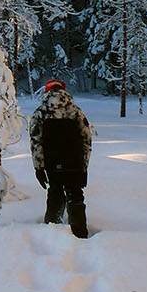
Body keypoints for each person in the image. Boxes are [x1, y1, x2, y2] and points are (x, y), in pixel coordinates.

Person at [30, 79, 93, 238]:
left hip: (52, 165)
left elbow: (36, 142)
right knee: (76, 196)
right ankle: (80, 233)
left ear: (47, 91)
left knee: (55, 193)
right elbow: (86, 140)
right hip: (75, 163)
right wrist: (84, 167)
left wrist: (39, 168)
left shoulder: (40, 113)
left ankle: (53, 234)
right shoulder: (77, 112)